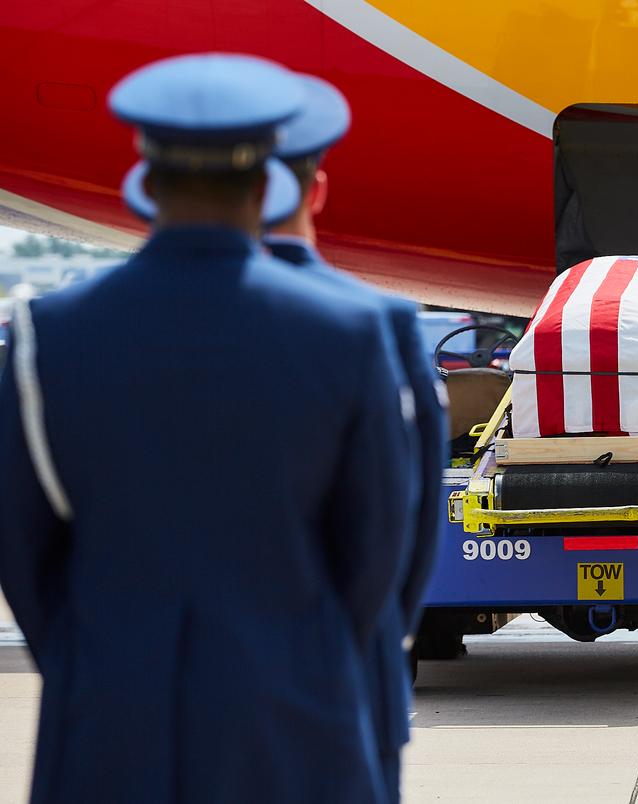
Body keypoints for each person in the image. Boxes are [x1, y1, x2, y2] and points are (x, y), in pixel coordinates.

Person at [0, 54, 415, 803]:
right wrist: (307, 654)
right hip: (294, 725)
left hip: (105, 726)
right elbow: (375, 548)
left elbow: (24, 552)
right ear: (265, 186)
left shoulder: (47, 334)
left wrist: (90, 660)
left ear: (146, 183)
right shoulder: (349, 335)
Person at [264, 74, 447, 803]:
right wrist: (369, 642)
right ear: (315, 191)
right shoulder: (376, 329)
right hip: (333, 690)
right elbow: (403, 529)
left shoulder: (56, 334)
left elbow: (30, 551)